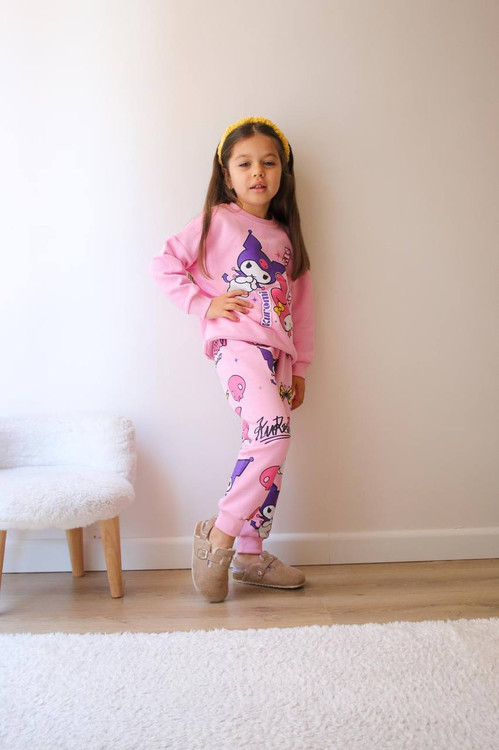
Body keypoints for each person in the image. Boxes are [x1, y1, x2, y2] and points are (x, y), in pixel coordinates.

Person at [151, 116, 314, 603]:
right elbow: (164, 264)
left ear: (283, 173)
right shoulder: (217, 220)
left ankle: (249, 554)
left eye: (269, 163)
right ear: (227, 175)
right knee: (273, 436)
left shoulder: (286, 238)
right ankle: (220, 537)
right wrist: (204, 304)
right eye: (245, 164)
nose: (257, 172)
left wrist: (300, 367)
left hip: (279, 358)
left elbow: (302, 310)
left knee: (266, 455)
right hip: (237, 347)